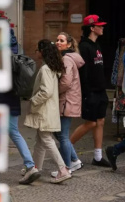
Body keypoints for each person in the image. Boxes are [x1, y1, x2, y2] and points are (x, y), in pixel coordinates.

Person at [0, 28, 41, 185]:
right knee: (12, 132)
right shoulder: (17, 50)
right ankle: (30, 167)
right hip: (14, 98)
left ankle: (29, 166)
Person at [24, 39, 71, 183]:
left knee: (46, 140)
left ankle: (63, 169)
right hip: (49, 110)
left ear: (42, 52)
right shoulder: (52, 68)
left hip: (44, 110)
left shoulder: (45, 69)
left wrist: (33, 101)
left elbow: (46, 91)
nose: (36, 53)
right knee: (41, 140)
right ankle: (35, 168)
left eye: (37, 50)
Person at [70, 15, 111, 167]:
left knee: (100, 121)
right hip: (91, 92)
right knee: (91, 123)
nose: (102, 28)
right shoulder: (84, 47)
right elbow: (83, 73)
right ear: (92, 28)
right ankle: (66, 148)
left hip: (100, 90)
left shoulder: (97, 45)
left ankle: (98, 157)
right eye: (99, 26)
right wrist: (87, 93)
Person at [51, 32, 85, 177]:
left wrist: (52, 92)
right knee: (58, 134)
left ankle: (66, 168)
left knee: (62, 136)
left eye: (62, 40)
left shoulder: (66, 59)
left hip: (66, 101)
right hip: (68, 100)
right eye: (57, 40)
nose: (58, 42)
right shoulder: (68, 58)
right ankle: (74, 160)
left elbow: (65, 82)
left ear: (69, 44)